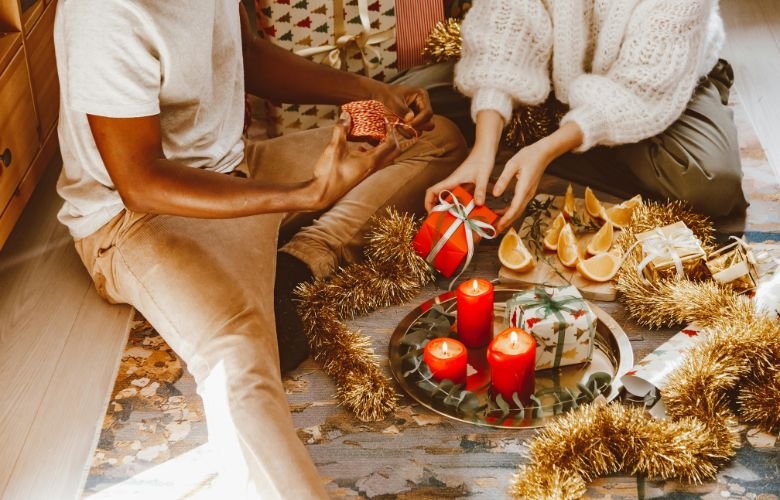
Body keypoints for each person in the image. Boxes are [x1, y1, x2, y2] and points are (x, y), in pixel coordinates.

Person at [54, 0, 467, 497]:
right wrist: (307, 193)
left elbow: (241, 51)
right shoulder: (102, 16)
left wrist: (373, 93)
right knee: (237, 357)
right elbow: (139, 182)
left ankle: (300, 262)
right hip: (140, 217)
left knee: (434, 137)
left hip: (239, 163)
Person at [425, 0, 748, 230]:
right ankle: (540, 141)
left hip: (661, 84)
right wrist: (484, 145)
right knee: (413, 99)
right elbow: (506, 21)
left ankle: (550, 144)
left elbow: (645, 82)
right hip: (553, 70)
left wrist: (547, 148)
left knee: (711, 183)